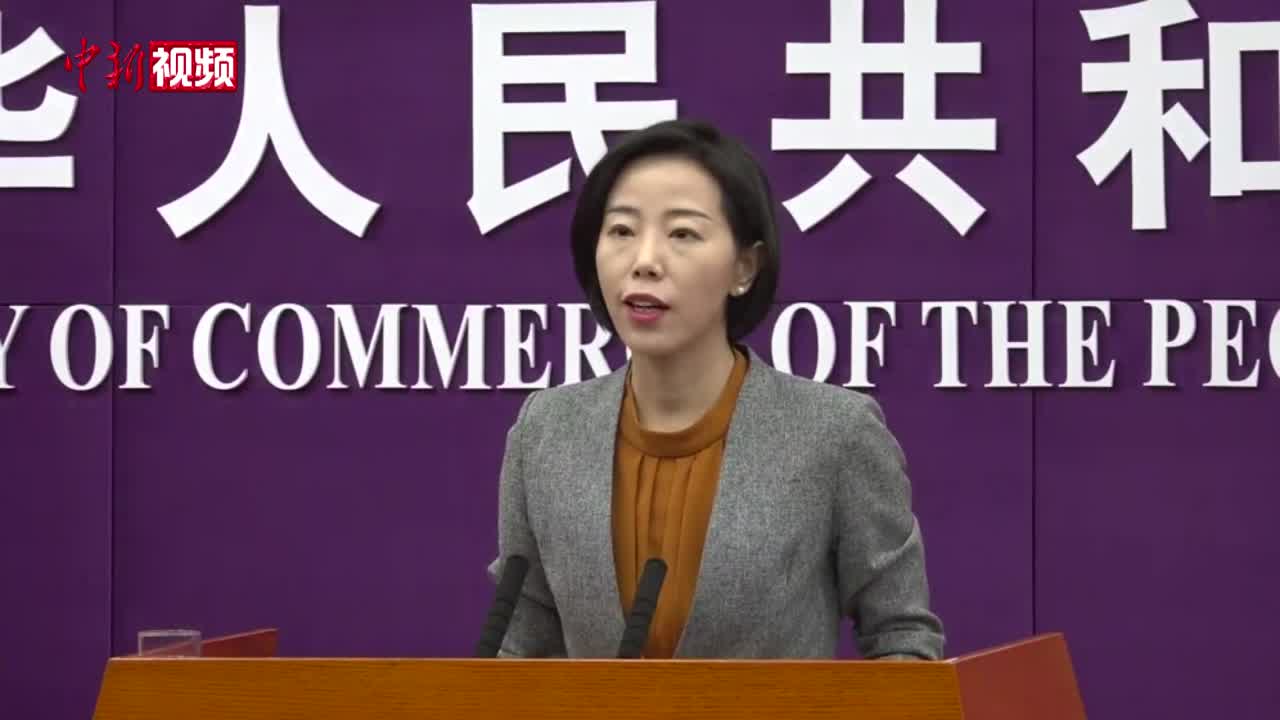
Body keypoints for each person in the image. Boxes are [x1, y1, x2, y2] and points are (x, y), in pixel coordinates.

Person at [487, 119, 943, 660]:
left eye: (682, 234)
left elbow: (901, 637)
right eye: (622, 231)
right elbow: (522, 646)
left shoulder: (834, 434)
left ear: (744, 268)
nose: (644, 261)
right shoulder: (545, 432)